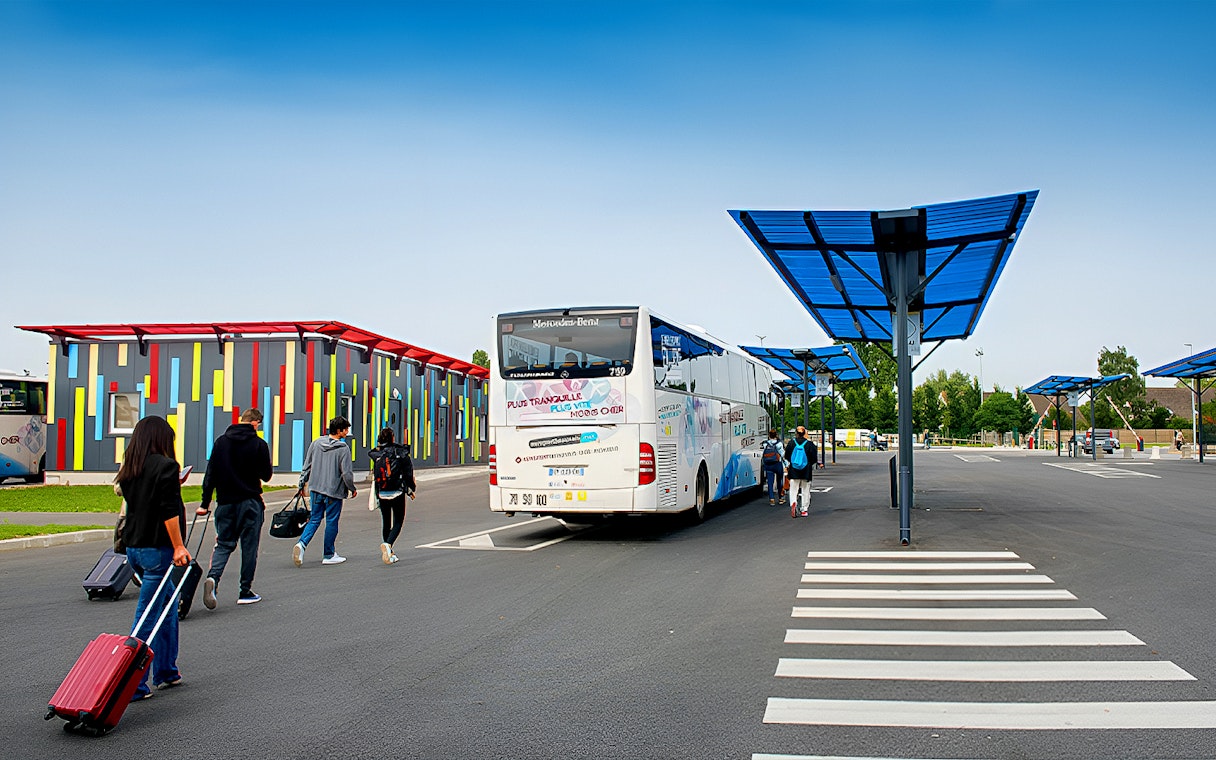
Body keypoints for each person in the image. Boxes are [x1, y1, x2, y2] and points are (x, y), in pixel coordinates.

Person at [115, 415, 191, 701]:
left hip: (134, 547)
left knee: (167, 608)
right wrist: (179, 546)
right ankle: (132, 685)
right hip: (157, 550)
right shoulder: (166, 466)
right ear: (162, 439)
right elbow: (168, 510)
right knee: (146, 617)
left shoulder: (130, 468)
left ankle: (167, 671)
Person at [197, 408, 272, 608]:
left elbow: (210, 475)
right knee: (249, 547)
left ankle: (213, 578)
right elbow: (266, 475)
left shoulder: (221, 442)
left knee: (224, 544)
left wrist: (205, 504)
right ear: (255, 423)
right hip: (250, 502)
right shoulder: (259, 444)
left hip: (225, 503)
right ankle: (245, 591)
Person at [293, 416, 357, 566]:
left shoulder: (316, 443)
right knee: (331, 521)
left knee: (315, 519)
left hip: (315, 488)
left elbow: (307, 465)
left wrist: (302, 483)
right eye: (346, 429)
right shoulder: (343, 449)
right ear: (340, 430)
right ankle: (328, 554)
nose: (347, 432)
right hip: (333, 491)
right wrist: (351, 488)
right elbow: (346, 473)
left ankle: (301, 544)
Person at [368, 428, 416, 564]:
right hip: (397, 491)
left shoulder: (377, 453)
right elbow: (408, 472)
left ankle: (389, 552)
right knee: (398, 521)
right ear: (392, 438)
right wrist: (411, 488)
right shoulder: (400, 452)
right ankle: (388, 545)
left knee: (386, 522)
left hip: (381, 491)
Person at [785, 426, 817, 518]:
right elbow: (814, 458)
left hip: (794, 471)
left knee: (793, 489)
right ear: (804, 433)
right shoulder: (809, 444)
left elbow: (787, 456)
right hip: (806, 471)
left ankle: (793, 503)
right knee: (805, 491)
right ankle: (804, 509)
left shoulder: (791, 443)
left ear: (796, 433)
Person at [760, 428, 786, 506]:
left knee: (770, 482)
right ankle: (781, 498)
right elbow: (783, 454)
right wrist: (787, 464)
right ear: (776, 435)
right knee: (779, 481)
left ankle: (771, 499)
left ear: (769, 435)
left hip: (768, 464)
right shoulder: (779, 444)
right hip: (777, 464)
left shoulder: (765, 444)